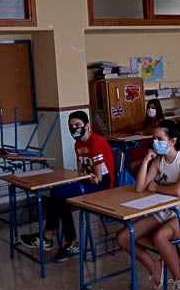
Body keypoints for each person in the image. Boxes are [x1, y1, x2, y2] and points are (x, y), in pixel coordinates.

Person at [117, 119, 180, 290]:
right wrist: (147, 161)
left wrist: (156, 188)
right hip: (164, 211)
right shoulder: (158, 161)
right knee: (123, 236)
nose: (155, 142)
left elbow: (179, 191)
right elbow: (140, 187)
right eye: (154, 139)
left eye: (160, 139)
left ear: (172, 141)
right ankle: (155, 266)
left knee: (160, 236)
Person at [21, 110, 114, 260]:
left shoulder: (95, 142)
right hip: (87, 181)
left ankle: (49, 236)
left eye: (78, 125)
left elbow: (97, 178)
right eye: (71, 126)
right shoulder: (78, 144)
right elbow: (80, 171)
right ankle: (69, 242)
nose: (74, 129)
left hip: (102, 184)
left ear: (87, 125)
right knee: (58, 192)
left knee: (60, 195)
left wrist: (85, 178)